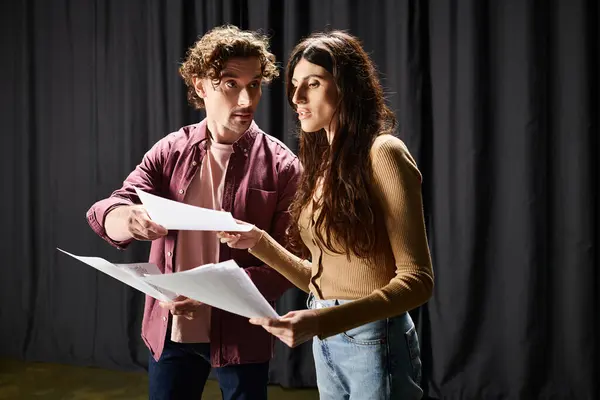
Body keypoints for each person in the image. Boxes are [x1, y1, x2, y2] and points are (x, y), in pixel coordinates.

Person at [86, 25, 302, 400]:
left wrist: (213, 296)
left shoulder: (283, 165)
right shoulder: (170, 150)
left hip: (241, 332)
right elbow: (110, 207)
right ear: (201, 87)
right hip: (170, 329)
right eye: (231, 83)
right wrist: (129, 219)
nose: (246, 98)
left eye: (254, 85)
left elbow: (290, 261)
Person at [218, 30, 434, 399]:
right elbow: (324, 282)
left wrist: (323, 321)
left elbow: (418, 281)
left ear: (347, 87)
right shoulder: (322, 167)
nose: (297, 98)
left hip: (373, 338)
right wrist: (260, 242)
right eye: (295, 85)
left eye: (313, 84)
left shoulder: (383, 153)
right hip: (328, 338)